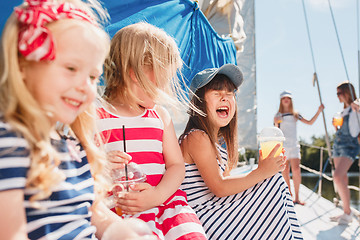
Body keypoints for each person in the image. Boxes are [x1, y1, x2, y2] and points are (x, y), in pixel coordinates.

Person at [0, 1, 155, 239]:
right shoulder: (10, 143)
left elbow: (94, 213)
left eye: (93, 76)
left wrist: (123, 232)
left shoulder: (74, 148)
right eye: (71, 68)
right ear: (23, 66)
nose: (86, 87)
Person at [96, 22, 207, 240]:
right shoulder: (94, 115)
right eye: (161, 83)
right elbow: (80, 165)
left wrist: (157, 195)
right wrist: (100, 163)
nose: (164, 91)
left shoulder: (160, 117)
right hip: (117, 213)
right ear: (136, 75)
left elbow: (176, 166)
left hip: (165, 207)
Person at [179, 64, 303, 239]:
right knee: (274, 182)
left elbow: (227, 183)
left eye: (230, 94)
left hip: (215, 210)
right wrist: (260, 172)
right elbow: (219, 187)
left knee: (273, 180)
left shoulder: (214, 143)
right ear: (199, 102)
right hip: (204, 216)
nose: (225, 98)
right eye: (217, 93)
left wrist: (263, 170)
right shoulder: (196, 137)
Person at [274, 91, 324, 205]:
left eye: (288, 98)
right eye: (284, 98)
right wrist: (276, 123)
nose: (286, 99)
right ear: (281, 101)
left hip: (294, 145)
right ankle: (289, 195)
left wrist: (319, 111)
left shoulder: (296, 114)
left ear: (291, 100)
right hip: (284, 146)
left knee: (296, 170)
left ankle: (297, 197)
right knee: (285, 171)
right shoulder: (278, 115)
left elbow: (310, 122)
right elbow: (276, 131)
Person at [330, 81, 360, 225]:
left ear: (347, 92)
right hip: (338, 145)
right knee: (343, 179)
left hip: (350, 146)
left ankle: (347, 213)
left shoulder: (356, 106)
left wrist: (357, 106)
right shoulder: (343, 111)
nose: (338, 97)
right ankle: (346, 211)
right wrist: (336, 126)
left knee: (337, 176)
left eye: (339, 93)